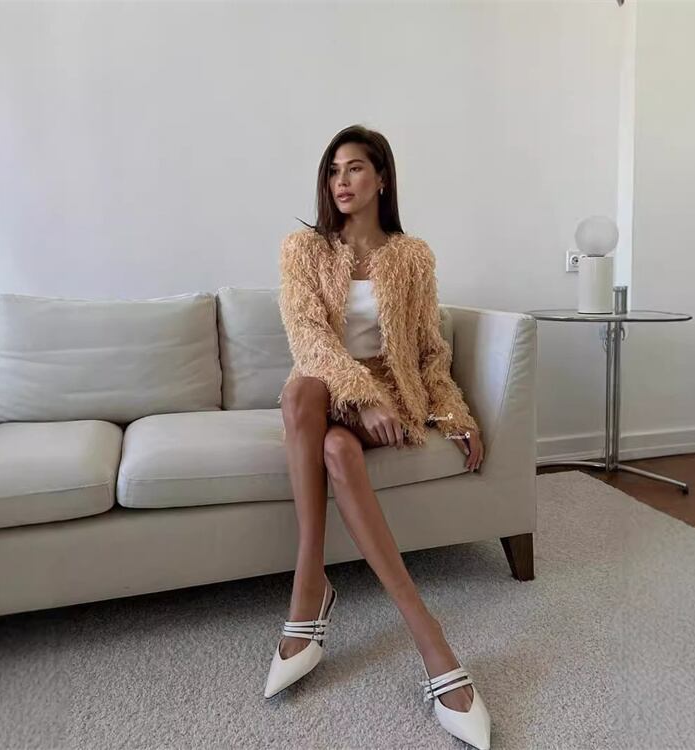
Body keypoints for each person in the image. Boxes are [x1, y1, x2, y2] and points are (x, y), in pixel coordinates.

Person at [264, 125, 490, 749]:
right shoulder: (304, 249)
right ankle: (417, 634)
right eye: (333, 170)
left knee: (336, 441)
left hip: (392, 400)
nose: (341, 181)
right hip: (328, 392)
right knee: (303, 393)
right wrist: (359, 397)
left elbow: (428, 351)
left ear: (382, 178)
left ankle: (322, 602)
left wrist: (454, 413)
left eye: (355, 168)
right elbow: (308, 337)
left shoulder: (412, 256)